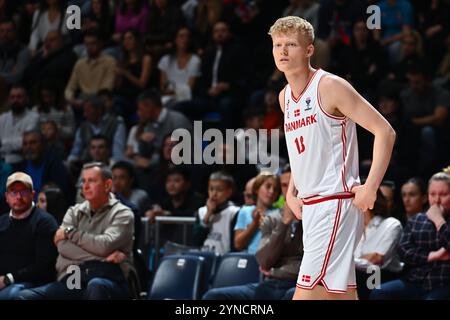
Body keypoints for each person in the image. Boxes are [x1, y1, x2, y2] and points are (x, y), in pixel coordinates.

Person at [269, 16, 396, 300]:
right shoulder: (284, 97)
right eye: (278, 45)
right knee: (338, 295)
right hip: (312, 207)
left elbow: (385, 132)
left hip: (334, 204)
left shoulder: (330, 86)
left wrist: (371, 187)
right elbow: (300, 150)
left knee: (305, 294)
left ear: (310, 50)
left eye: (291, 44)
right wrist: (292, 191)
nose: (283, 51)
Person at [18, 162, 135, 300]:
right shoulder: (74, 211)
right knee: (25, 296)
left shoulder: (123, 214)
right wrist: (103, 257)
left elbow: (105, 245)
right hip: (73, 280)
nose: (85, 186)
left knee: (95, 286)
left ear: (107, 185)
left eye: (91, 181)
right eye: (83, 181)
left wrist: (71, 233)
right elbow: (63, 247)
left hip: (109, 280)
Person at [370, 172, 450, 300]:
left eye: (444, 194)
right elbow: (403, 250)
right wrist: (430, 256)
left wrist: (439, 221)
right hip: (415, 280)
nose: (437, 200)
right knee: (379, 292)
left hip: (444, 282)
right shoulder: (417, 220)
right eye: (433, 194)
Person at [0, 172, 58, 300]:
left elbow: (43, 265)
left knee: (8, 296)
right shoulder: (1, 222)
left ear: (33, 195)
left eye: (24, 192)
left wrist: (8, 279)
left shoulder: (45, 222)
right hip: (4, 281)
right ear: (6, 197)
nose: (18, 197)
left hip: (33, 284)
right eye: (13, 192)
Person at [354, 189, 403, 300]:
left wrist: (349, 260)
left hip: (382, 276)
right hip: (358, 275)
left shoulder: (391, 224)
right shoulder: (353, 228)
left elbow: (376, 259)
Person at [193, 171, 240, 255]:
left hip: (224, 260)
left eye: (219, 190)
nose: (214, 194)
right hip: (203, 257)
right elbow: (196, 241)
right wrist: (207, 215)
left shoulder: (234, 212)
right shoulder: (201, 212)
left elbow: (235, 244)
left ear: (229, 192)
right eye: (211, 189)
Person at [234, 172, 281, 254]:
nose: (272, 191)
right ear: (256, 189)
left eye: (276, 189)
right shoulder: (245, 211)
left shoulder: (280, 213)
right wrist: (254, 224)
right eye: (268, 186)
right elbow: (238, 244)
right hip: (249, 259)